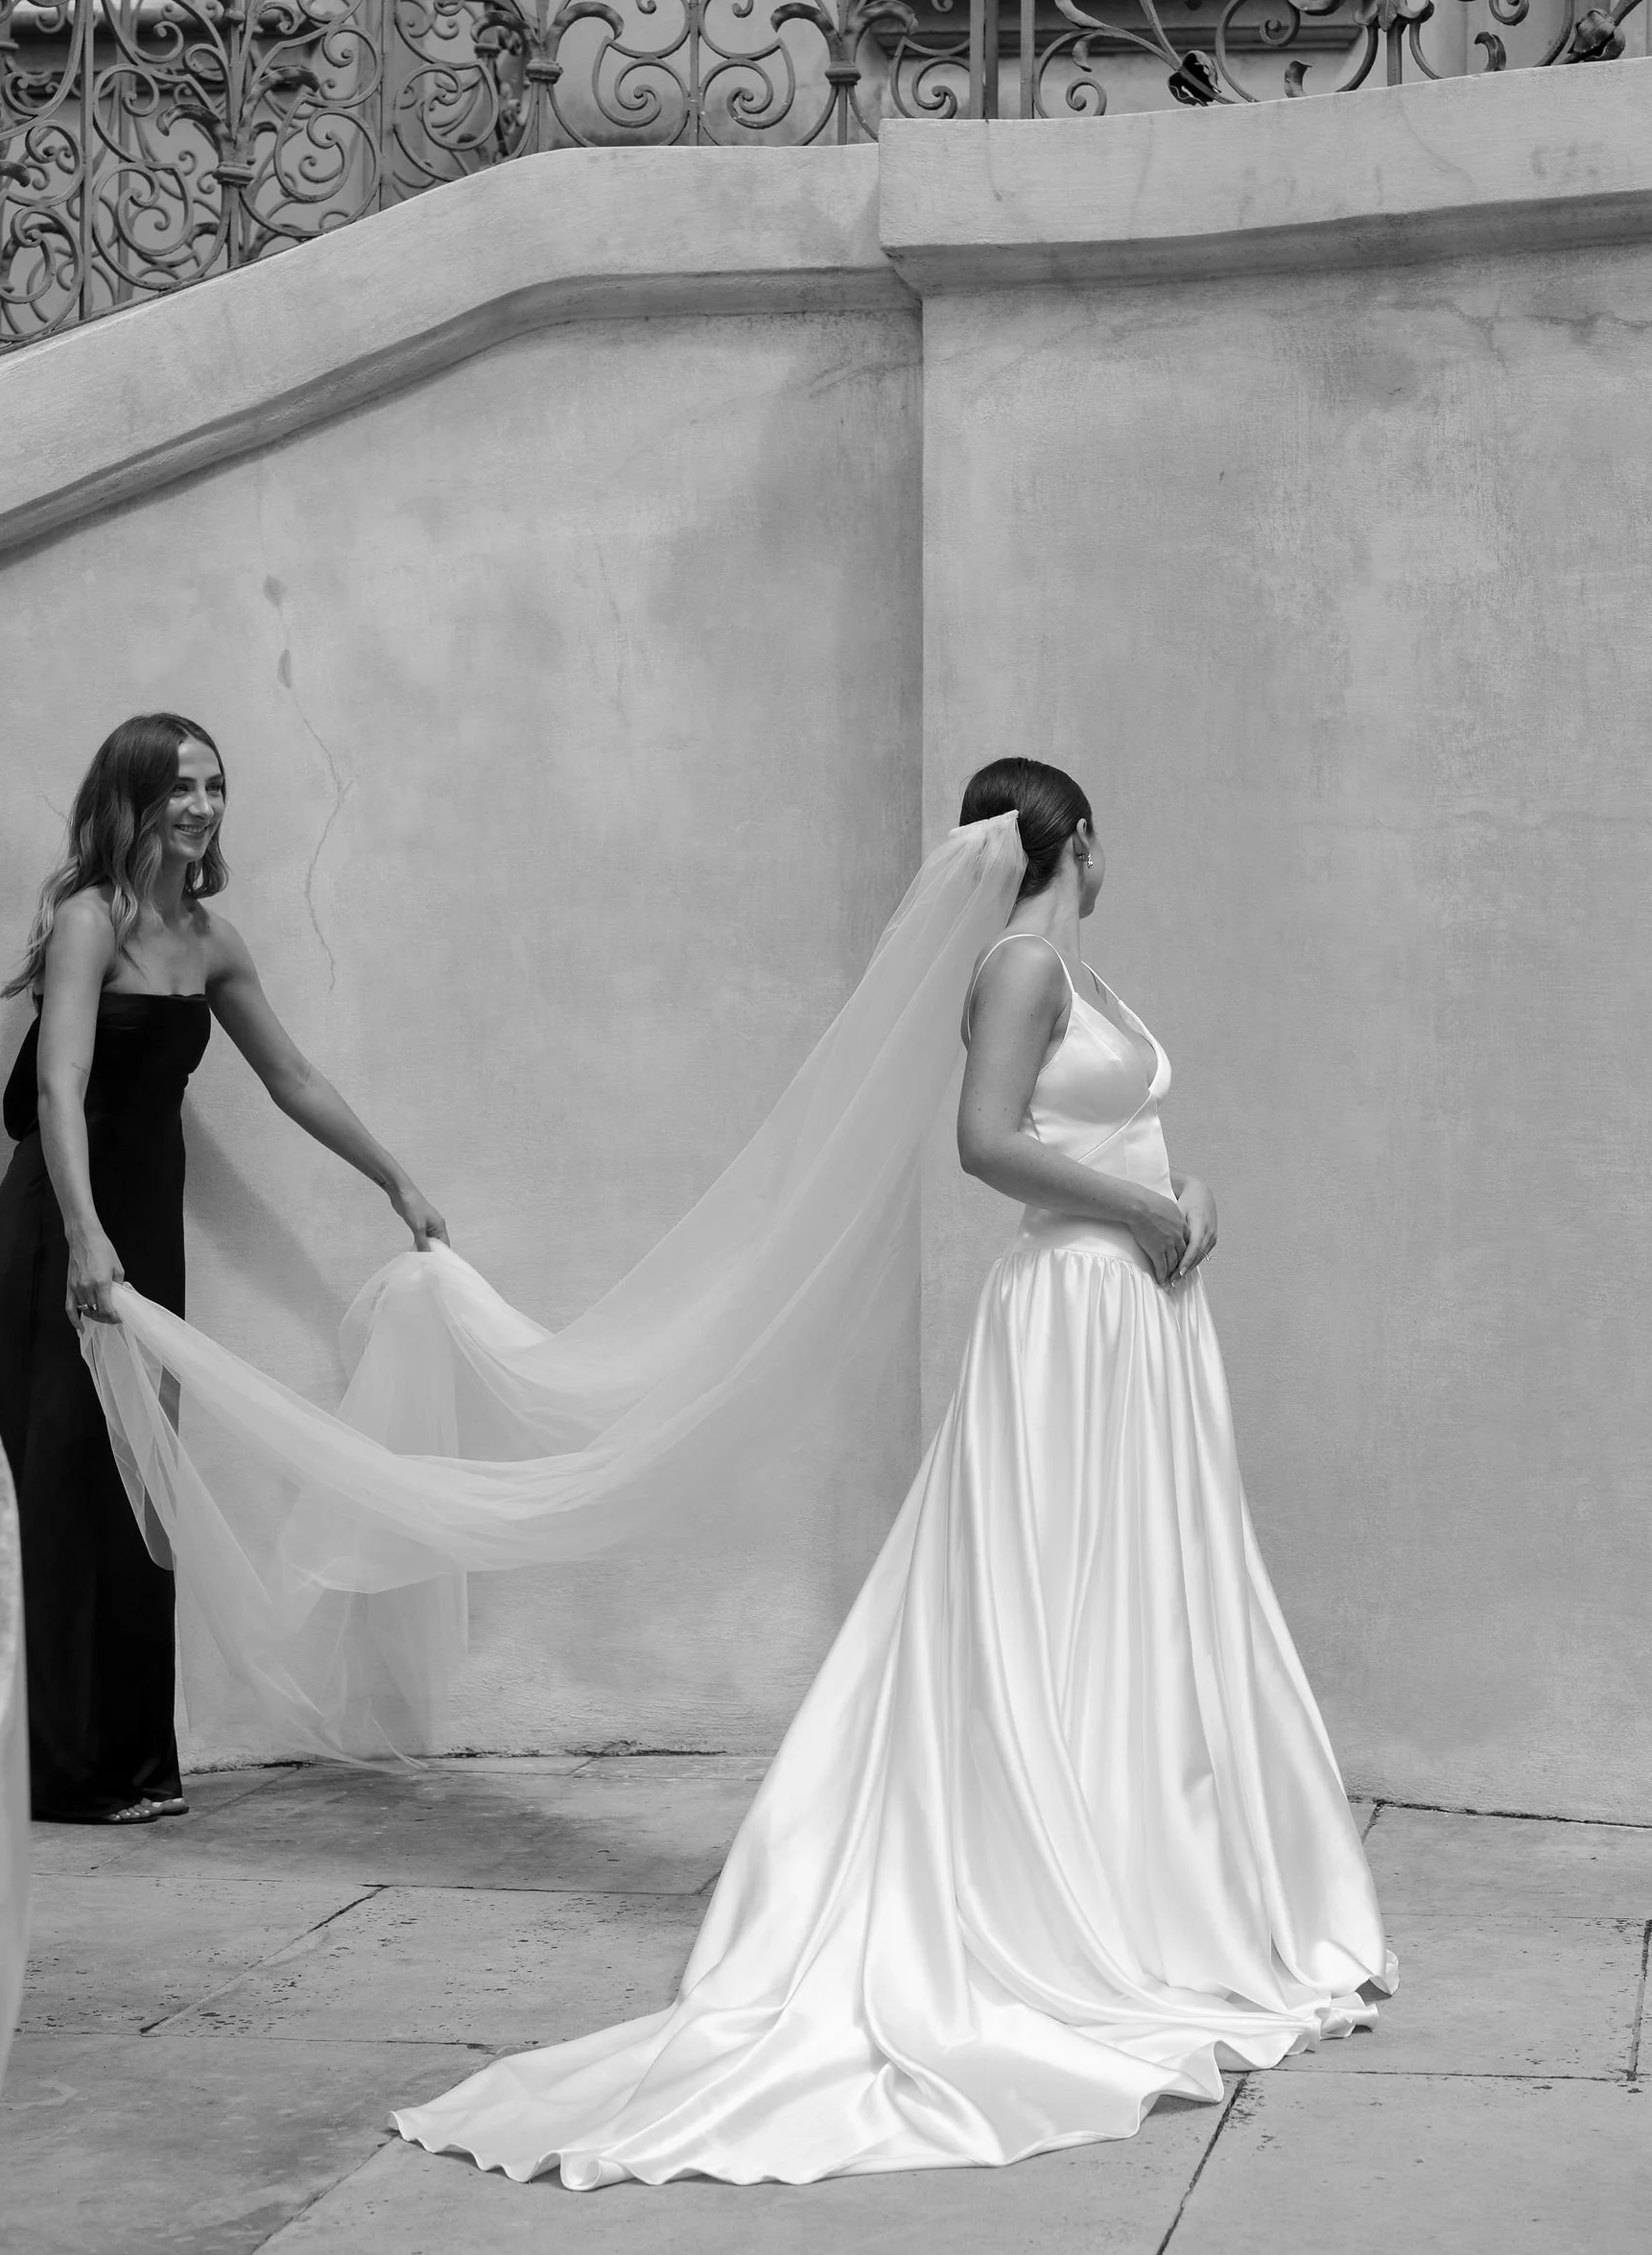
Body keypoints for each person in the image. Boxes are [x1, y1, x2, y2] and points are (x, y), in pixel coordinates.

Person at [388, 756, 1394, 2181]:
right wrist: (1141, 1207)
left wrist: (1188, 1194)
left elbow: (1115, 1130)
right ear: (1080, 839)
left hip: (1135, 1311)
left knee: (1135, 1594)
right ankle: (1057, 1889)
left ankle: (1151, 1866)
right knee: (1053, 1591)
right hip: (1070, 1311)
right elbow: (989, 1144)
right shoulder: (1020, 967)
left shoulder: (1080, 976)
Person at [0, 712, 447, 1825]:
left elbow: (294, 1077)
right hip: (65, 1217)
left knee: (141, 1480)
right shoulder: (88, 922)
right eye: (180, 786)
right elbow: (57, 1084)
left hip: (146, 1221)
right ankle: (60, 1771)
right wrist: (84, 1232)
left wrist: (395, 1178)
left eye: (215, 785)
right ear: (131, 799)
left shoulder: (213, 939)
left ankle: (135, 1760)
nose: (202, 805)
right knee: (66, 1476)